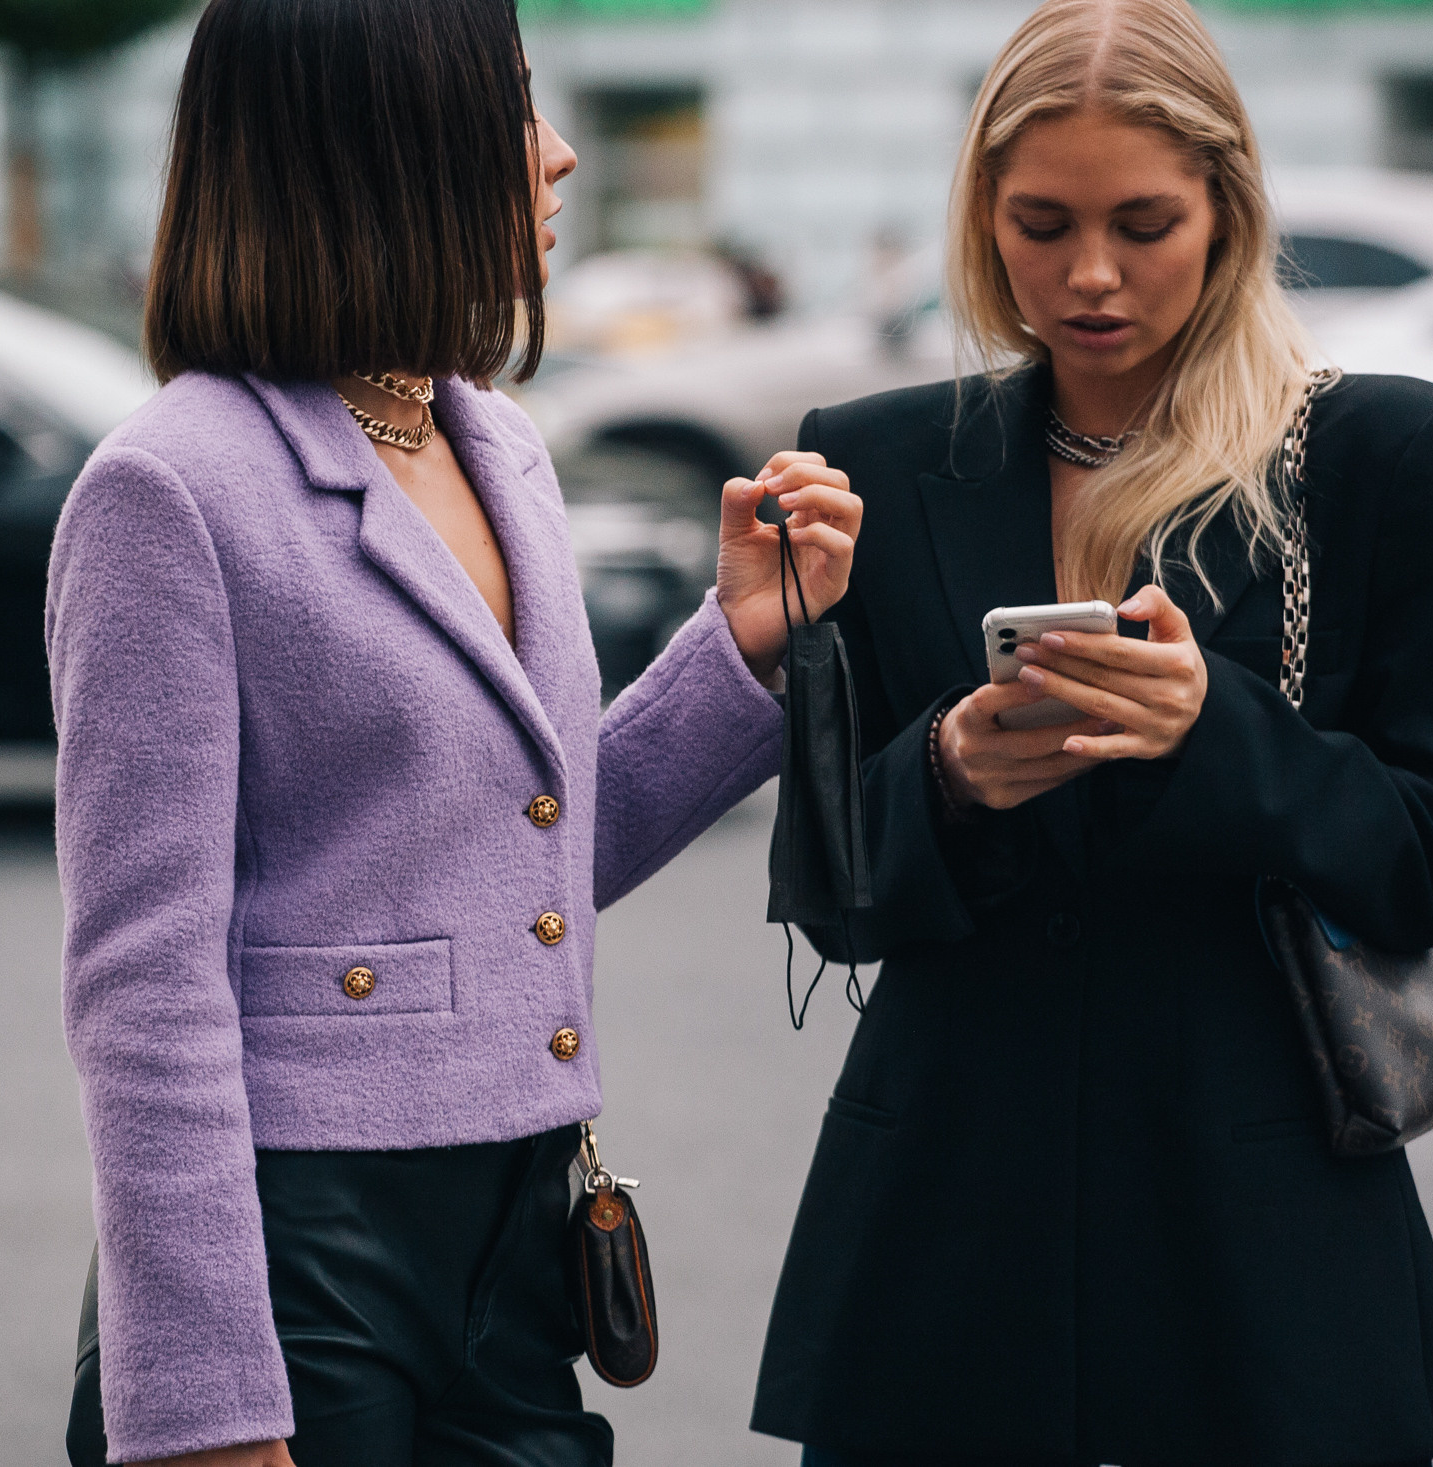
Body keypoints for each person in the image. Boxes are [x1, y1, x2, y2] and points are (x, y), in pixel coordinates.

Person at [48, 3, 861, 1465]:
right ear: (377, 146)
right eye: (511, 114)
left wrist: (739, 641)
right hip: (300, 1262)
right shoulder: (166, 487)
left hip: (520, 1236)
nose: (556, 161)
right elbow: (142, 979)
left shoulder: (491, 440)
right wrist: (202, 1411)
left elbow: (538, 849)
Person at [750, 2, 1433, 1465]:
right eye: (1042, 224)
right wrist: (953, 773)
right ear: (984, 214)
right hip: (946, 1231)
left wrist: (1217, 730)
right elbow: (827, 893)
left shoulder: (1386, 458)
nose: (1089, 274)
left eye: (1143, 224)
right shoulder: (883, 455)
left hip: (1259, 1234)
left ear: (1228, 213)